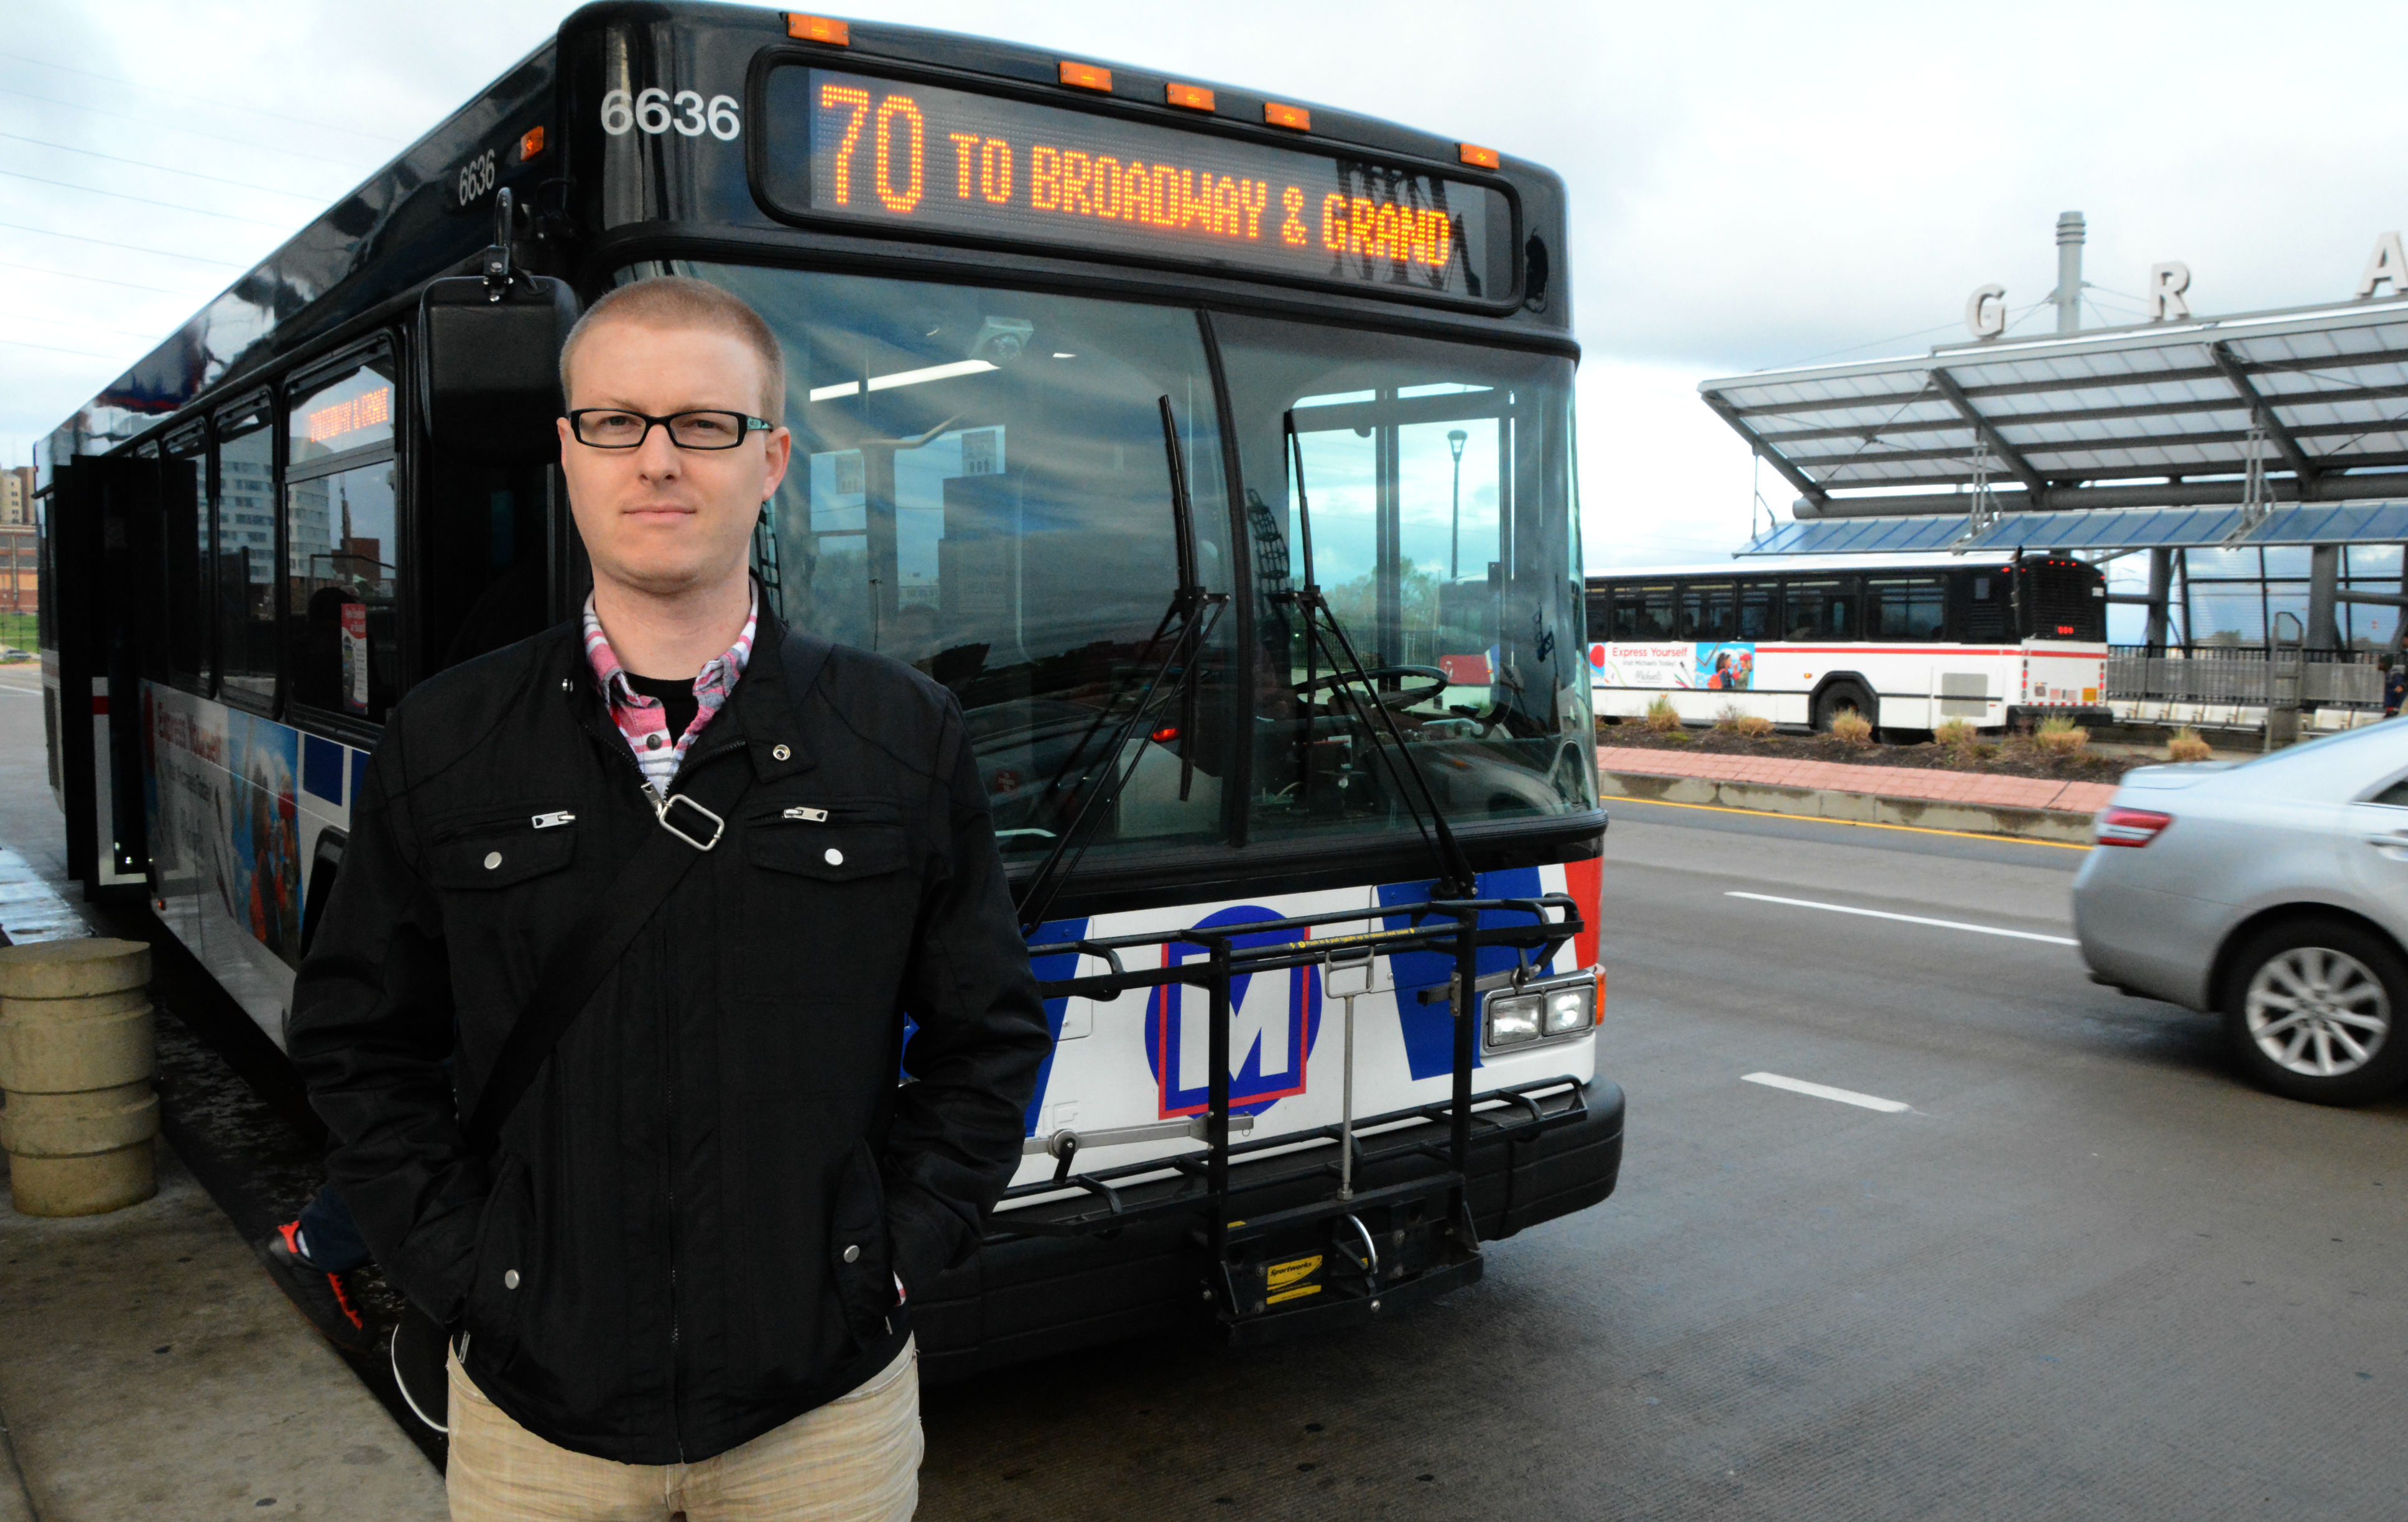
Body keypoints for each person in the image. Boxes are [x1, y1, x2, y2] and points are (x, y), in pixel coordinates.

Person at [287, 276, 1051, 1521]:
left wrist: (894, 1253)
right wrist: (467, 1272)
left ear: (772, 461)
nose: (657, 459)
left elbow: (990, 1034)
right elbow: (357, 1043)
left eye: (705, 423)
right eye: (615, 423)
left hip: (823, 1414)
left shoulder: (902, 734)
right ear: (566, 453)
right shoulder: (446, 739)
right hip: (538, 1416)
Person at [2383, 654, 2404, 718]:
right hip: (2390, 708)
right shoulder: (2389, 674)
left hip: (2393, 708)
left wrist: (2396, 708)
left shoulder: (2394, 674)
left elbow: (2400, 689)